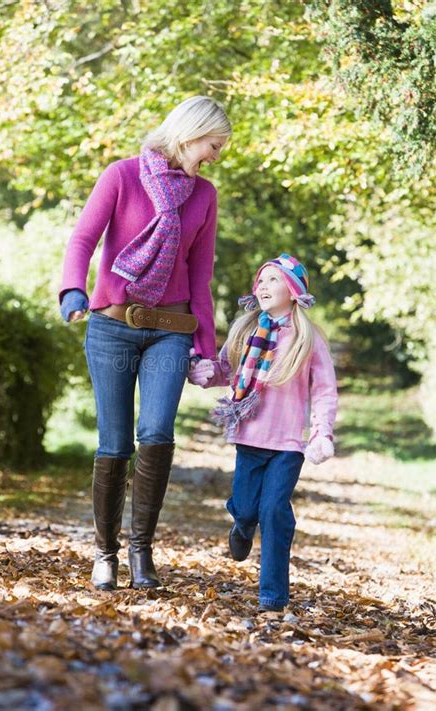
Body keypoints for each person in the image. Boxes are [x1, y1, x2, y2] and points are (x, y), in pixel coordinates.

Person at [59, 96, 231, 591]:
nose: (216, 155)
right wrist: (73, 289)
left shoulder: (205, 195)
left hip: (170, 332)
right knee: (113, 443)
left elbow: (201, 275)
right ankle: (105, 553)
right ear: (190, 133)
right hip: (111, 325)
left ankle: (141, 553)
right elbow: (82, 240)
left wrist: (204, 345)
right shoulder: (123, 175)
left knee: (156, 434)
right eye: (214, 144)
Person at [188, 253, 338, 612]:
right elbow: (227, 369)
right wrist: (207, 373)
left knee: (274, 511)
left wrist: (322, 433)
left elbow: (324, 390)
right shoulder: (247, 329)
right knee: (246, 506)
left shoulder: (307, 338)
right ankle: (241, 525)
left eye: (273, 280)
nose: (263, 286)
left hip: (287, 444)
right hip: (249, 436)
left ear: (293, 289)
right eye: (262, 280)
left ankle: (273, 595)